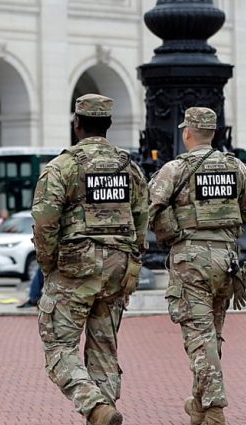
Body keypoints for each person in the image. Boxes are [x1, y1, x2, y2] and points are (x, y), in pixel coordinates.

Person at [32, 94, 149, 425]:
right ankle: (105, 411)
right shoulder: (130, 168)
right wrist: (131, 259)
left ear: (77, 124)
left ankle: (93, 404)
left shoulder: (63, 167)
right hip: (118, 268)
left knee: (58, 346)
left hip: (75, 267)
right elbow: (142, 219)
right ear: (109, 125)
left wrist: (49, 264)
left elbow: (45, 222)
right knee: (104, 349)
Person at [148, 107, 246, 425]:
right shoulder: (234, 167)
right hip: (226, 260)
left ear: (187, 133)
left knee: (200, 337)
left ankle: (214, 408)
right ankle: (198, 406)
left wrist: (173, 230)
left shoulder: (175, 169)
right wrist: (223, 215)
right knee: (211, 335)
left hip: (191, 261)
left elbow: (151, 209)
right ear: (214, 133)